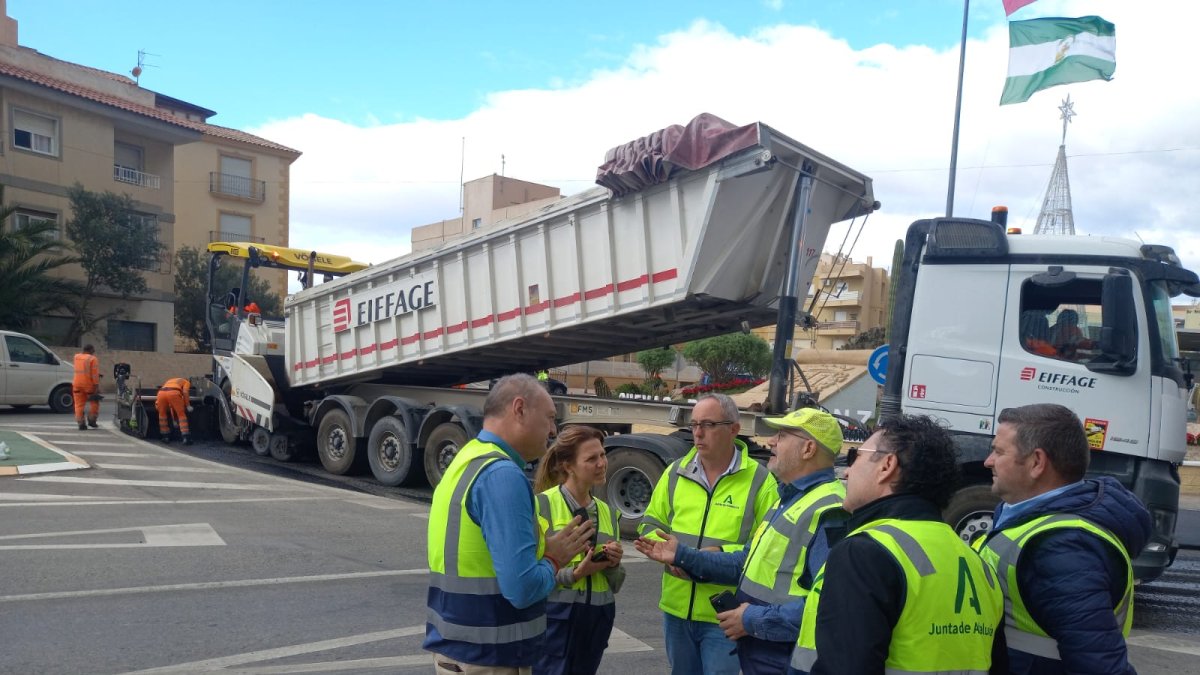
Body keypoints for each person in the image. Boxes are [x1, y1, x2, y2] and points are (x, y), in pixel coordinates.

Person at [635, 408, 847, 675]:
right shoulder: (790, 499)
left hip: (785, 660)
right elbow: (747, 561)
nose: (771, 441)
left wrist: (750, 619)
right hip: (763, 654)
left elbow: (831, 606)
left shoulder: (830, 511)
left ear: (808, 449)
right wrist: (683, 556)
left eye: (782, 435)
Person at [790, 414, 1003, 675]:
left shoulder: (864, 552)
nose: (847, 470)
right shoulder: (977, 565)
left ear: (887, 465)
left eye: (856, 456)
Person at [424, 373, 596, 674]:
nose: (553, 430)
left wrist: (542, 552)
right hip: (492, 658)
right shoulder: (502, 475)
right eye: (550, 417)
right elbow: (523, 589)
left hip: (458, 650)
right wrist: (554, 559)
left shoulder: (468, 459)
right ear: (519, 409)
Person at [977, 404, 1150, 674]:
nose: (988, 461)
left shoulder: (1063, 548)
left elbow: (1099, 665)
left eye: (999, 452)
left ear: (1037, 462)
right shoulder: (1027, 518)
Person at [637, 393, 778, 675]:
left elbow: (766, 548)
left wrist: (718, 554)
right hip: (676, 609)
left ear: (734, 429)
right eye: (694, 424)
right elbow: (650, 522)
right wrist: (664, 552)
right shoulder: (675, 473)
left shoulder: (760, 480)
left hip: (725, 614)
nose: (698, 433)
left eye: (709, 425)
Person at [531, 425, 625, 675]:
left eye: (602, 455)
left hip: (596, 622)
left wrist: (614, 564)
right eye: (591, 459)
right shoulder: (541, 505)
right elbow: (527, 577)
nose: (602, 463)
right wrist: (574, 575)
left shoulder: (607, 512)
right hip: (555, 620)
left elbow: (615, 583)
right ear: (568, 466)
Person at [156, 377, 194, 445]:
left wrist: (174, 420)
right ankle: (186, 438)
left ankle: (165, 437)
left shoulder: (170, 380)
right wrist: (188, 405)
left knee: (162, 415)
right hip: (174, 393)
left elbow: (171, 406)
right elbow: (185, 392)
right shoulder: (186, 382)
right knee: (181, 415)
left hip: (161, 393)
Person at [72, 344, 100, 431]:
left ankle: (81, 423)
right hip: (88, 385)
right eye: (93, 350)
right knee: (94, 402)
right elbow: (94, 374)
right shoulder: (92, 359)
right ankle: (92, 420)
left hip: (77, 384)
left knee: (78, 405)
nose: (94, 352)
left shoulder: (76, 357)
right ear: (90, 350)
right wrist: (96, 386)